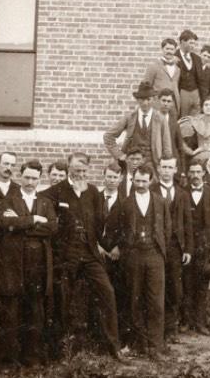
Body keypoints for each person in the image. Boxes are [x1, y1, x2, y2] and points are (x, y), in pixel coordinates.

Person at [44, 152, 122, 359]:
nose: (80, 173)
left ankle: (113, 347)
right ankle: (61, 350)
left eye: (83, 170)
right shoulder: (54, 192)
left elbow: (98, 226)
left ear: (88, 169)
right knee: (63, 299)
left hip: (89, 253)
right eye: (76, 169)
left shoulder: (93, 192)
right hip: (66, 255)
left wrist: (110, 246)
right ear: (68, 167)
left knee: (107, 292)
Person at [0, 160, 57, 365]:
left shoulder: (46, 202)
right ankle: (10, 360)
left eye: (34, 178)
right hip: (15, 263)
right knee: (12, 311)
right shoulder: (9, 200)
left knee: (35, 310)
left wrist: (21, 222)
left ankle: (32, 358)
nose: (30, 182)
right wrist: (34, 220)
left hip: (38, 265)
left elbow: (52, 228)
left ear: (39, 179)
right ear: (20, 176)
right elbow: (6, 223)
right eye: (27, 177)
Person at [121, 164, 171, 359]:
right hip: (134, 256)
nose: (140, 184)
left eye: (144, 181)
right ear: (132, 180)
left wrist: (159, 249)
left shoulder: (160, 201)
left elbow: (167, 228)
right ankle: (138, 343)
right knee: (135, 299)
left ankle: (155, 346)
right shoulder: (125, 203)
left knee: (156, 301)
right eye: (137, 180)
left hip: (154, 255)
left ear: (151, 181)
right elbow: (118, 229)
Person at [151, 157, 193, 343]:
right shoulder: (150, 190)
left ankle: (171, 328)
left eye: (170, 167)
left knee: (175, 288)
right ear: (158, 169)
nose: (167, 170)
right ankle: (156, 329)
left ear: (175, 169)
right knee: (156, 286)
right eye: (164, 167)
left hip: (176, 246)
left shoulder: (182, 194)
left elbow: (188, 223)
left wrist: (188, 249)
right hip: (156, 246)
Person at [181, 160, 210, 335]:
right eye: (192, 172)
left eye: (198, 172)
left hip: (205, 247)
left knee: (202, 286)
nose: (195, 175)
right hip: (187, 247)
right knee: (187, 284)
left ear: (203, 173)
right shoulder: (182, 193)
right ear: (188, 174)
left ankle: (201, 323)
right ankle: (186, 321)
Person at [0, 152, 19, 360]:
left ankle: (8, 353)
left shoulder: (19, 191)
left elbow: (26, 218)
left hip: (15, 254)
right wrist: (11, 222)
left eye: (12, 165)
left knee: (12, 300)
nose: (9, 167)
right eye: (5, 163)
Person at [103, 81, 172, 171]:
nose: (145, 103)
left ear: (154, 99)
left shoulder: (161, 119)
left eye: (148, 99)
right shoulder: (130, 117)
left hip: (152, 165)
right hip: (132, 164)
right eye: (142, 99)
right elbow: (108, 136)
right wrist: (120, 155)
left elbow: (167, 148)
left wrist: (162, 165)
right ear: (137, 99)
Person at [98, 162, 129, 346]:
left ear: (120, 179)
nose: (111, 180)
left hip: (116, 254)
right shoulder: (95, 197)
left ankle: (116, 338)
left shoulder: (125, 201)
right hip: (98, 252)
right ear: (104, 176)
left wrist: (119, 247)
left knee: (117, 293)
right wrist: (97, 246)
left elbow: (128, 228)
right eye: (108, 176)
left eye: (115, 177)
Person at [179, 96, 210, 163]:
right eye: (206, 105)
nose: (208, 107)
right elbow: (178, 137)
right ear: (202, 107)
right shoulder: (194, 120)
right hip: (199, 156)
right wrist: (191, 152)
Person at [175, 29, 208, 116]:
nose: (193, 46)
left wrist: (203, 98)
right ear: (182, 42)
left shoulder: (197, 59)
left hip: (195, 92)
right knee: (183, 119)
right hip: (182, 92)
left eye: (194, 43)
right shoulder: (174, 57)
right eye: (191, 43)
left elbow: (201, 80)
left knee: (195, 120)